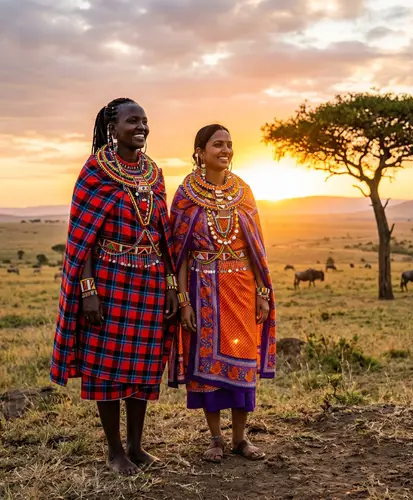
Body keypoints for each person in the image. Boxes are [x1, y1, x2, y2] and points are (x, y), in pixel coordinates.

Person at [50, 97, 178, 475]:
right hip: (108, 280)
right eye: (132, 121)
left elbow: (163, 233)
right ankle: (114, 451)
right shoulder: (96, 170)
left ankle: (137, 447)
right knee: (105, 369)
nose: (141, 127)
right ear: (113, 127)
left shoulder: (154, 173)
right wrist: (87, 290)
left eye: (145, 121)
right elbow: (82, 236)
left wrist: (171, 283)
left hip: (150, 281)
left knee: (142, 366)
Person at [168, 124, 276, 462]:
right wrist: (183, 301)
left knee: (243, 361)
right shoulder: (186, 194)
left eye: (229, 144)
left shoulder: (243, 191)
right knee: (206, 364)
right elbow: (180, 252)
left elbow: (256, 246)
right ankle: (215, 438)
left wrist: (261, 291)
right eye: (218, 144)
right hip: (202, 290)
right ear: (200, 151)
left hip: (241, 286)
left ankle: (240, 439)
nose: (225, 150)